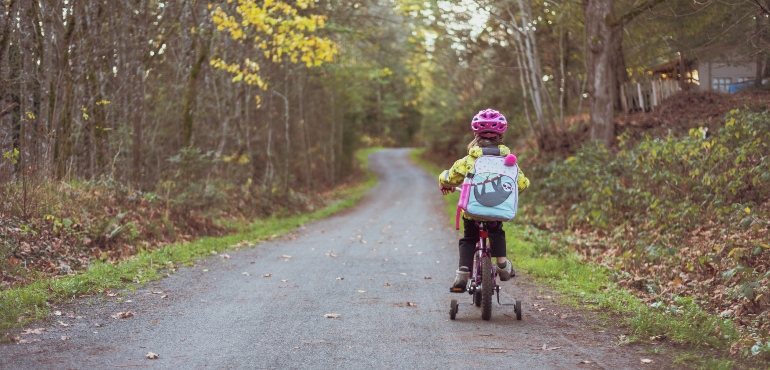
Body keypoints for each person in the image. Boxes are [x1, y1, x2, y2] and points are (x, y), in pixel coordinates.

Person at [438, 109, 530, 291]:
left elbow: (449, 177)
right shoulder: (508, 161)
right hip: (497, 212)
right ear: (501, 135)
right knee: (497, 232)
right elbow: (522, 183)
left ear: (475, 134)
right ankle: (502, 265)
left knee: (469, 238)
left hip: (472, 212)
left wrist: (443, 181)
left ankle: (463, 273)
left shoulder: (469, 160)